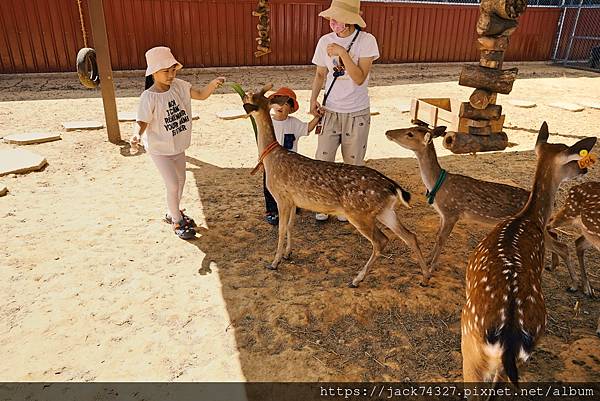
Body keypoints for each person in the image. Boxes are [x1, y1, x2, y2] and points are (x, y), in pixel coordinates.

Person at [130, 46, 225, 239]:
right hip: (159, 149)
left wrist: (213, 84)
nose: (171, 74)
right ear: (153, 73)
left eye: (173, 69)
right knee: (172, 184)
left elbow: (200, 94)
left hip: (178, 145)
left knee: (181, 181)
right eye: (165, 71)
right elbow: (141, 121)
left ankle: (172, 211)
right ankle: (176, 221)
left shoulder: (180, 85)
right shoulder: (149, 97)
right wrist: (136, 135)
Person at [309, 0, 380, 221]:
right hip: (330, 110)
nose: (332, 22)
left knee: (353, 163)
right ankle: (323, 204)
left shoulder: (367, 41)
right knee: (324, 160)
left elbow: (359, 78)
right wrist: (313, 100)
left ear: (350, 20)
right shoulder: (324, 41)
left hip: (356, 111)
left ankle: (347, 207)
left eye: (337, 18)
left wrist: (342, 53)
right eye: (331, 17)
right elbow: (321, 74)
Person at [263, 87, 320, 225]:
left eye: (286, 104)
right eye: (277, 102)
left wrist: (317, 118)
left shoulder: (294, 123)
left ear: (291, 108)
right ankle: (272, 211)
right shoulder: (267, 123)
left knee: (293, 186)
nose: (281, 106)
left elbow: (307, 128)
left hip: (291, 166)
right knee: (270, 188)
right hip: (271, 164)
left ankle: (294, 205)